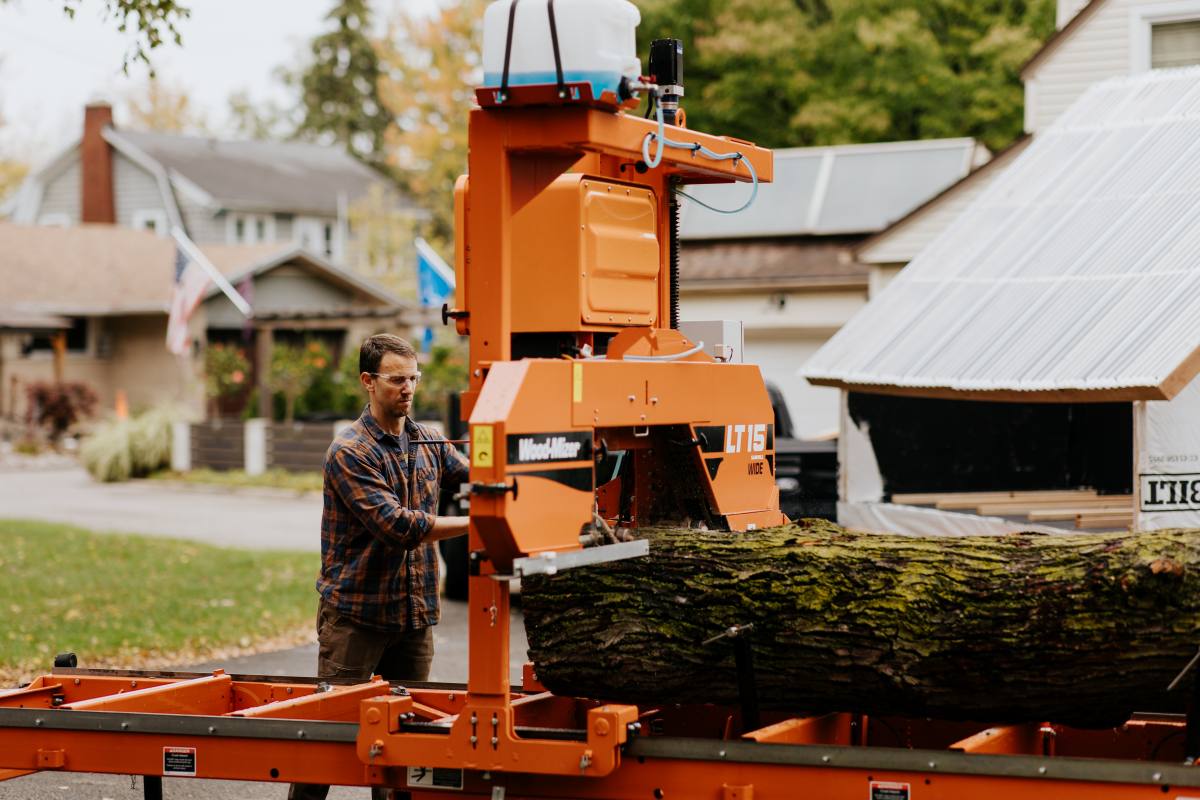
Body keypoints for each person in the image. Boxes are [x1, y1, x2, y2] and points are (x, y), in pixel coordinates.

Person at [289, 334, 469, 800]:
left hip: (413, 618)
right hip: (356, 619)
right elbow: (399, 526)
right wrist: (480, 521)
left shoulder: (427, 439)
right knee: (325, 746)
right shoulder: (350, 451)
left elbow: (474, 473)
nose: (407, 388)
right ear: (368, 382)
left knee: (404, 748)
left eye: (413, 378)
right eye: (396, 379)